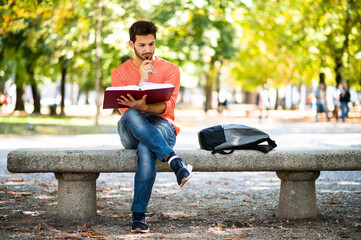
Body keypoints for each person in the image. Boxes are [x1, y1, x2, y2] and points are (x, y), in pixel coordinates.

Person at [111, 21, 193, 233]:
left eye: (151, 44)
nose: (147, 50)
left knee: (146, 147)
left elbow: (168, 107)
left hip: (162, 125)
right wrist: (142, 80)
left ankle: (138, 216)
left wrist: (145, 106)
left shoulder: (170, 69)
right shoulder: (119, 73)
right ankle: (174, 160)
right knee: (131, 113)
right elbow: (126, 112)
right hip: (131, 129)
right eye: (142, 45)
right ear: (132, 44)